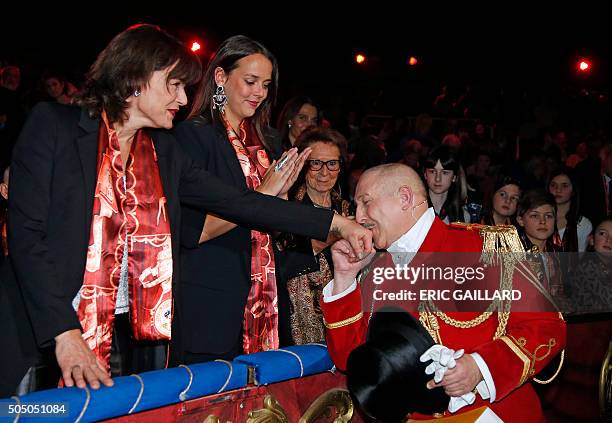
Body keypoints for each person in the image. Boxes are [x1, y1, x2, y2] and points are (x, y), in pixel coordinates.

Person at [0, 24, 371, 397]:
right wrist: (64, 334)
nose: (182, 97)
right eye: (173, 85)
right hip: (42, 336)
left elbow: (243, 203)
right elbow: (27, 240)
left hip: (129, 335)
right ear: (136, 78)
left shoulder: (163, 151)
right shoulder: (53, 126)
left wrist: (337, 223)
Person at [320, 163, 565, 421]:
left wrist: (480, 368)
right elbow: (350, 360)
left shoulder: (487, 249)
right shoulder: (374, 269)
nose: (358, 217)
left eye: (366, 202)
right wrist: (345, 277)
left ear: (405, 198)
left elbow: (547, 327)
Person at [173, 35, 311, 363]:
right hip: (209, 302)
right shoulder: (192, 136)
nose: (259, 93)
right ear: (221, 77)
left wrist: (286, 203)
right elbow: (196, 231)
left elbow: (275, 226)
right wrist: (263, 195)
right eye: (250, 82)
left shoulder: (266, 143)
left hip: (263, 296)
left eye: (265, 84)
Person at [275, 126, 352, 345]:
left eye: (332, 163)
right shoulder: (287, 210)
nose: (324, 172)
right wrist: (329, 237)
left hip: (343, 316)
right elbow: (279, 269)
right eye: (316, 163)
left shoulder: (348, 209)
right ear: (302, 166)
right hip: (295, 323)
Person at [516, 190, 564, 297]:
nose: (543, 221)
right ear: (521, 220)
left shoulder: (557, 253)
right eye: (535, 216)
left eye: (548, 216)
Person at [548, 168, 592, 252]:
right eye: (553, 185)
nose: (558, 190)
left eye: (564, 186)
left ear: (573, 190)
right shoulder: (539, 218)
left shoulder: (583, 224)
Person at [423, 145, 470, 223]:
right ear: (425, 174)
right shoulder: (414, 212)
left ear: (454, 177)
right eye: (433, 171)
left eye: (444, 173)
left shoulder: (464, 216)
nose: (438, 178)